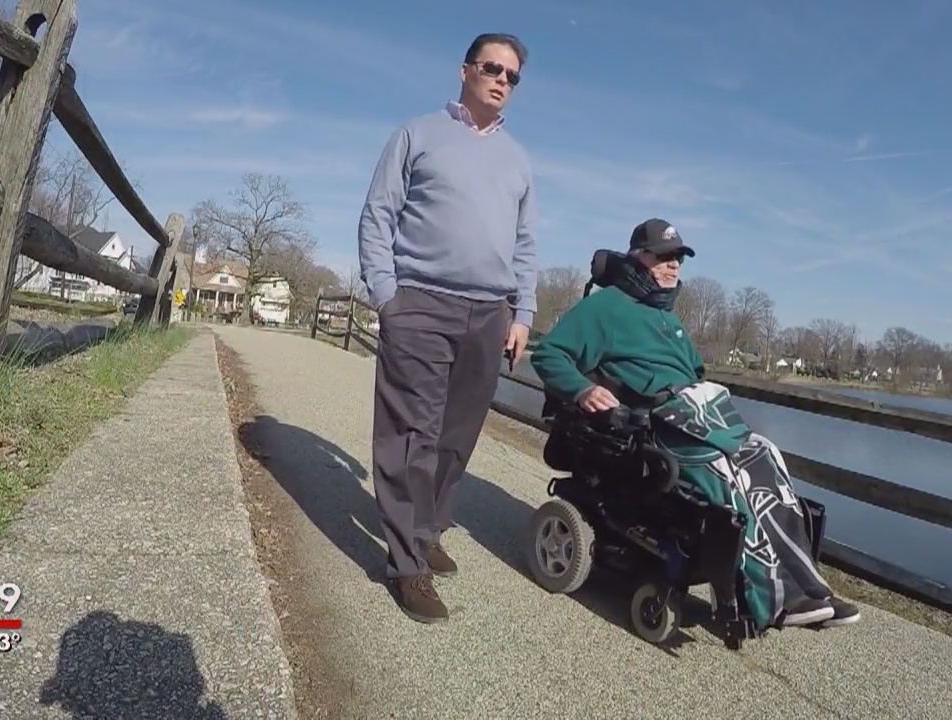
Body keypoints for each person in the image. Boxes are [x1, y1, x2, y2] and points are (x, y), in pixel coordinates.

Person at [530, 218, 861, 631]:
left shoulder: (668, 318)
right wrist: (582, 390)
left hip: (696, 411)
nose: (674, 267)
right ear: (638, 258)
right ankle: (773, 599)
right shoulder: (606, 306)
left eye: (679, 260)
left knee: (765, 458)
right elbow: (548, 355)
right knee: (728, 480)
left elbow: (695, 372)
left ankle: (810, 588)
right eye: (664, 257)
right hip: (651, 420)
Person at [357, 33, 539, 623]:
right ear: (465, 70)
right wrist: (390, 297)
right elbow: (378, 215)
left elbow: (525, 244)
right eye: (492, 68)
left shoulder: (518, 160)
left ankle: (429, 526)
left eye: (512, 76)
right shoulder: (417, 135)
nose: (502, 80)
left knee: (457, 435)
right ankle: (406, 565)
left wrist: (523, 313)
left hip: (490, 314)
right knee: (414, 432)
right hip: (422, 305)